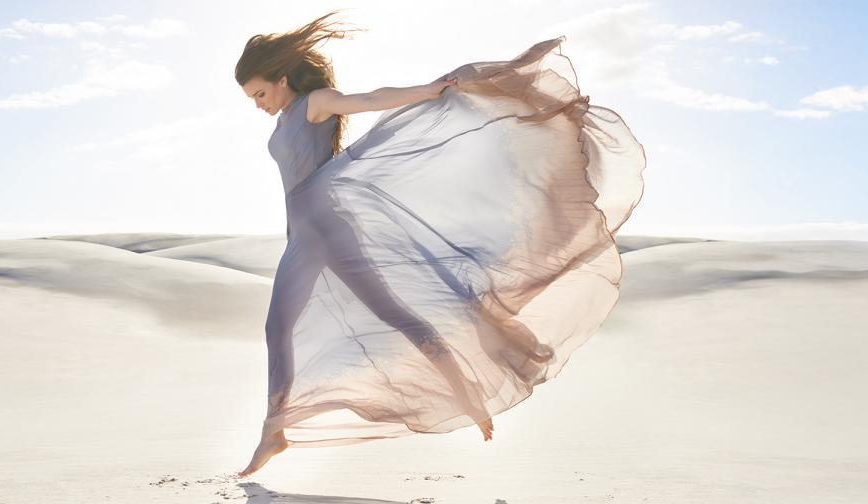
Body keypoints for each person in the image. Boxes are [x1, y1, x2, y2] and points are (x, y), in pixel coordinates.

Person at [232, 10, 647, 478]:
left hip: (329, 226)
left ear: (282, 78)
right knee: (280, 328)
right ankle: (276, 430)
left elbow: (369, 99)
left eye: (261, 93)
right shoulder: (285, 119)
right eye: (251, 99)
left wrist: (427, 91)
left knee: (393, 314)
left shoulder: (315, 103)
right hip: (302, 235)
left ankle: (469, 396)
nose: (258, 104)